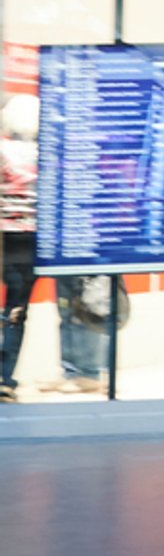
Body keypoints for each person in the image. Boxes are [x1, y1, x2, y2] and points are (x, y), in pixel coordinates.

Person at [0, 95, 35, 403]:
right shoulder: (46, 156)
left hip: (3, 237)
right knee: (16, 309)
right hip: (29, 241)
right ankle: (5, 377)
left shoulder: (1, 152)